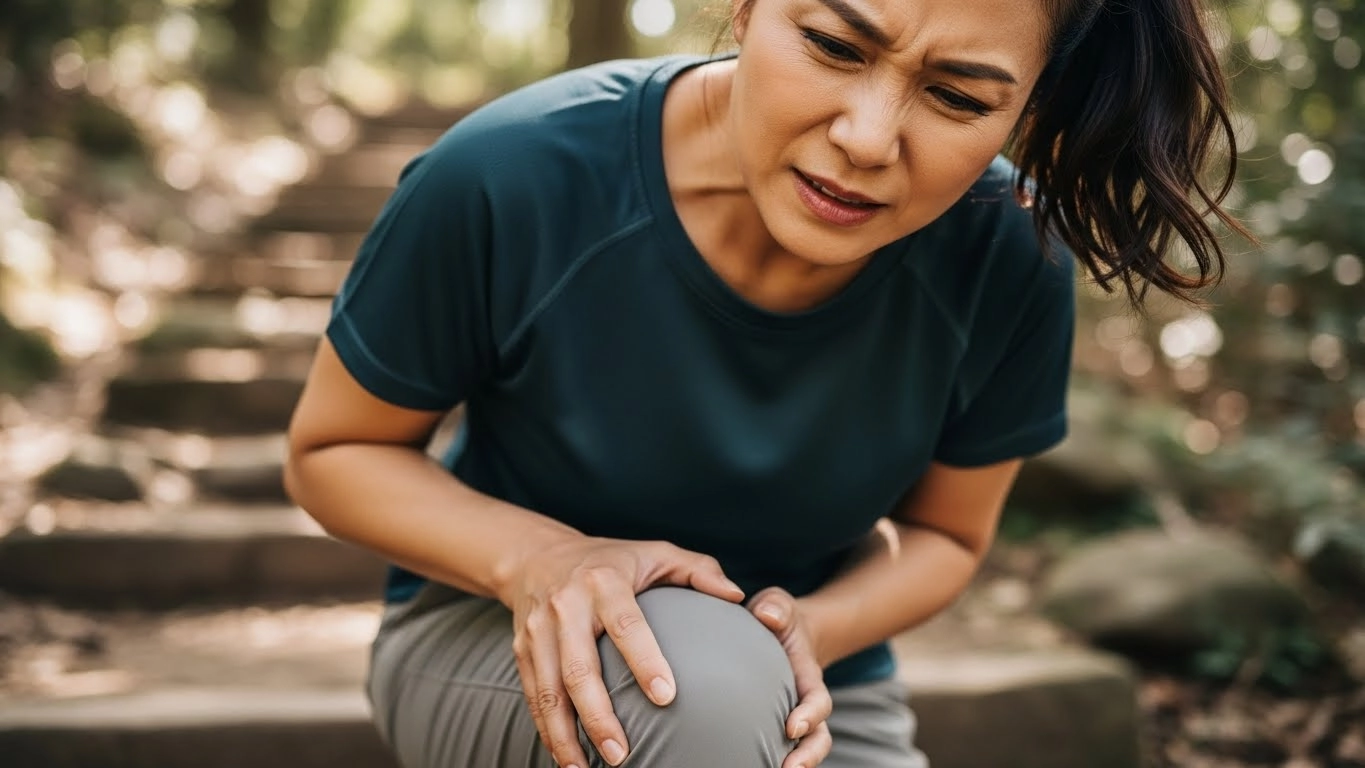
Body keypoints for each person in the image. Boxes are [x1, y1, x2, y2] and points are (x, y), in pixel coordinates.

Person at [283, 0, 1244, 765]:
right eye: (831, 43)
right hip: (502, 637)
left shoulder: (1009, 255)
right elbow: (335, 451)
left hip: (816, 683)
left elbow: (948, 536)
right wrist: (542, 561)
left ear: (1026, 107)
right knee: (704, 688)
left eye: (956, 98)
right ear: (745, 8)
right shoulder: (508, 176)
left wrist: (805, 634)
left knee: (730, 680)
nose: (868, 138)